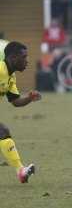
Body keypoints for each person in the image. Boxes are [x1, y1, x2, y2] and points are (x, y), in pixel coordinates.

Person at [0, 42, 42, 183]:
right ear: (13, 58)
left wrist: (29, 98)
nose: (27, 61)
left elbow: (15, 101)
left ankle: (21, 171)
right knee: (2, 132)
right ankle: (20, 171)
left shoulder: (11, 77)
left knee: (3, 133)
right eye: (24, 57)